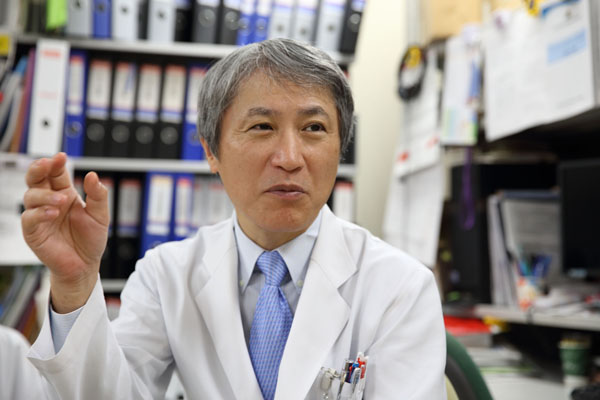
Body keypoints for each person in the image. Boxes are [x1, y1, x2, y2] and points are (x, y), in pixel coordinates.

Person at [21, 38, 446, 399]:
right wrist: (75, 282)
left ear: (340, 147)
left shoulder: (400, 287)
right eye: (262, 127)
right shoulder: (167, 275)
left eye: (314, 128)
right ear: (211, 151)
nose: (289, 158)